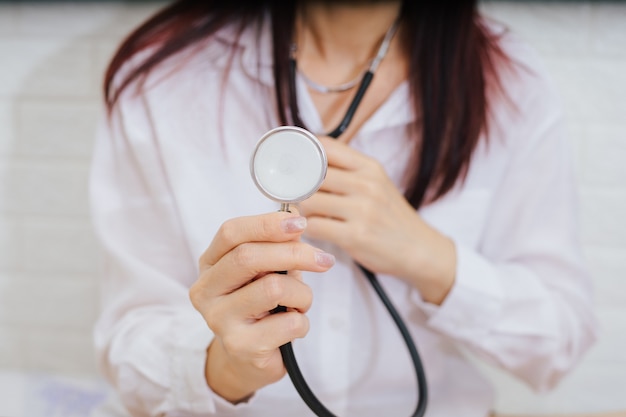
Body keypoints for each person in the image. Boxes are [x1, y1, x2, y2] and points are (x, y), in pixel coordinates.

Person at [89, 1, 598, 416]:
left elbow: (559, 342)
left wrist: (430, 258)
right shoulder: (164, 77)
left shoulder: (511, 83)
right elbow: (130, 339)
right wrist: (225, 369)